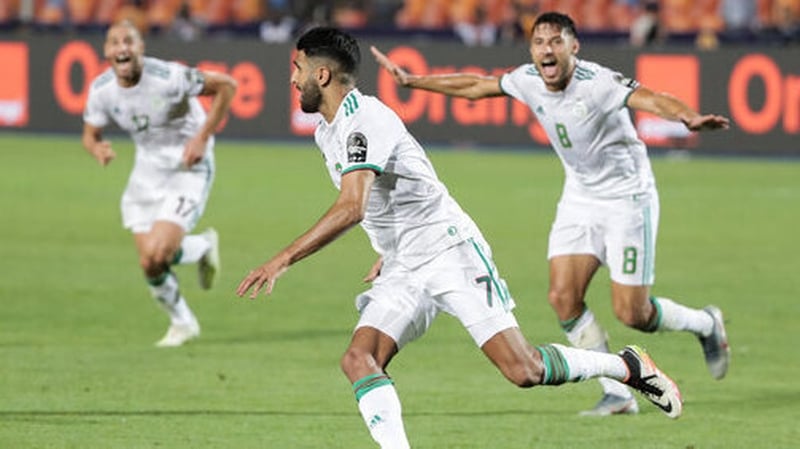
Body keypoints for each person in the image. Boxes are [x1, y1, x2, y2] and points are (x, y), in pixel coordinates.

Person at [237, 26, 683, 449]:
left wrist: (282, 259)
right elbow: (383, 200)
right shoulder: (326, 130)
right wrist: (387, 248)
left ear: (321, 73)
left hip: (449, 250)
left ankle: (626, 367)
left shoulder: (365, 119)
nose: (292, 79)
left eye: (296, 68)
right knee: (359, 360)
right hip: (403, 263)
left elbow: (352, 206)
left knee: (524, 370)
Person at [370, 11, 730, 417]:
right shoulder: (527, 79)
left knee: (634, 313)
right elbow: (475, 85)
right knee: (562, 298)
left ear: (573, 47)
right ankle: (618, 393)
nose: (547, 49)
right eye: (539, 42)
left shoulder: (598, 84)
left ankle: (705, 323)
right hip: (579, 197)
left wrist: (687, 117)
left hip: (628, 198)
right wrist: (413, 81)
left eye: (556, 41)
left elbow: (650, 98)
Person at [82, 19, 237, 347]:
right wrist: (97, 148)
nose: (122, 47)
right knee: (150, 262)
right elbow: (90, 134)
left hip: (188, 167)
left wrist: (202, 136)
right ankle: (184, 320)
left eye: (129, 41)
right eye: (115, 42)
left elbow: (227, 85)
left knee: (160, 252)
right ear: (107, 51)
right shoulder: (101, 91)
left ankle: (201, 250)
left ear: (140, 48)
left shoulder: (170, 77)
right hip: (147, 172)